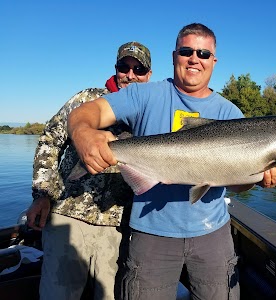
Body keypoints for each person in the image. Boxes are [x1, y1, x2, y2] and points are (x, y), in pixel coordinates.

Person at [68, 23, 276, 300]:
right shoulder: (143, 95)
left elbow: (237, 187)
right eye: (187, 51)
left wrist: (261, 178)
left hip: (212, 234)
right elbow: (86, 112)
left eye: (203, 53)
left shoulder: (231, 113)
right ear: (174, 55)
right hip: (150, 235)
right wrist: (83, 134)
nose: (194, 59)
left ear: (213, 61)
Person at [26, 41, 152, 300]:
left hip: (120, 224)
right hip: (68, 217)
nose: (130, 75)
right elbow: (51, 138)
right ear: (115, 68)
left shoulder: (151, 113)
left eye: (138, 69)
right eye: (124, 67)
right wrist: (42, 194)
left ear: (148, 75)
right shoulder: (86, 99)